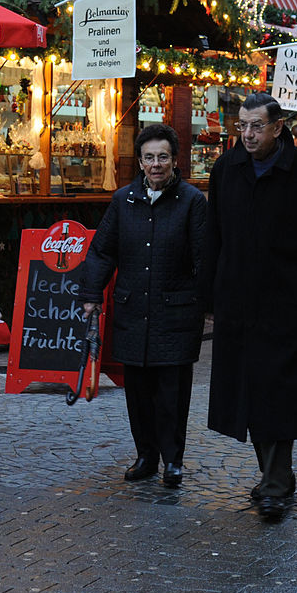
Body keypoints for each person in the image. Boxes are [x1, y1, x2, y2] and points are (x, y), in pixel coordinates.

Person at [203, 92, 297, 520]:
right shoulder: (226, 168)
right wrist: (208, 296)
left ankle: (275, 484)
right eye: (241, 126)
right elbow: (214, 236)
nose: (246, 134)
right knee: (248, 390)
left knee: (279, 391)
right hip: (238, 302)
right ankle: (275, 474)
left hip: (289, 303)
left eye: (256, 126)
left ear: (278, 127)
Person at [78, 124, 206, 489]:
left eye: (163, 157)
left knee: (172, 393)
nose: (156, 164)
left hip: (176, 314)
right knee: (137, 393)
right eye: (149, 157)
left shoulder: (192, 201)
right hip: (133, 312)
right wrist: (90, 295)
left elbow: (203, 258)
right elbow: (103, 250)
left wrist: (205, 303)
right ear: (140, 161)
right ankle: (146, 455)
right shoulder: (124, 200)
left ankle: (173, 460)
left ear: (174, 160)